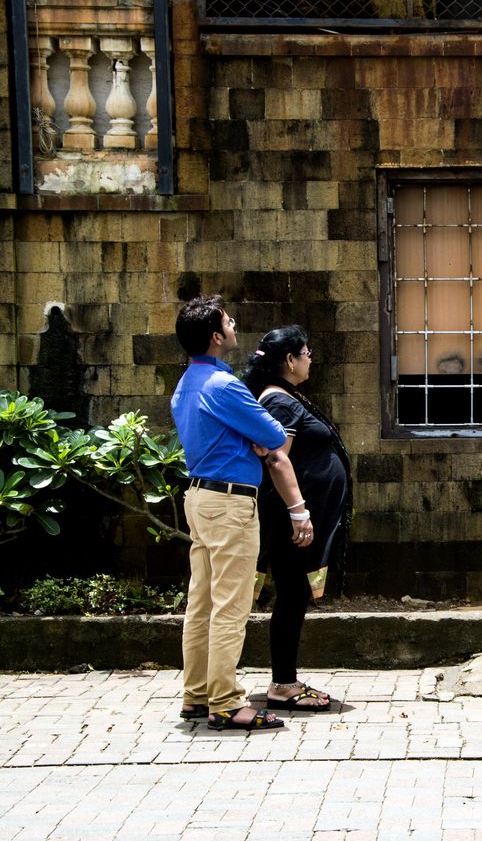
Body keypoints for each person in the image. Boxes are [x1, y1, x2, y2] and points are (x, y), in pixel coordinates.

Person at [171, 295, 307, 732]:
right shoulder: (223, 386)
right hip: (230, 502)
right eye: (229, 323)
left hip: (199, 496)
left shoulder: (186, 384)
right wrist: (255, 438)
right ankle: (227, 703)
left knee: (202, 603)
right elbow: (271, 432)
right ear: (216, 336)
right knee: (230, 607)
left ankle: (196, 695)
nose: (234, 327)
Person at [243, 326, 352, 710]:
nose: (310, 359)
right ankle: (283, 685)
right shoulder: (281, 403)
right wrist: (299, 513)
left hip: (297, 515)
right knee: (292, 594)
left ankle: (285, 680)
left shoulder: (284, 397)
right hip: (292, 518)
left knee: (294, 594)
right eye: (306, 352)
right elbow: (276, 456)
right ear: (289, 360)